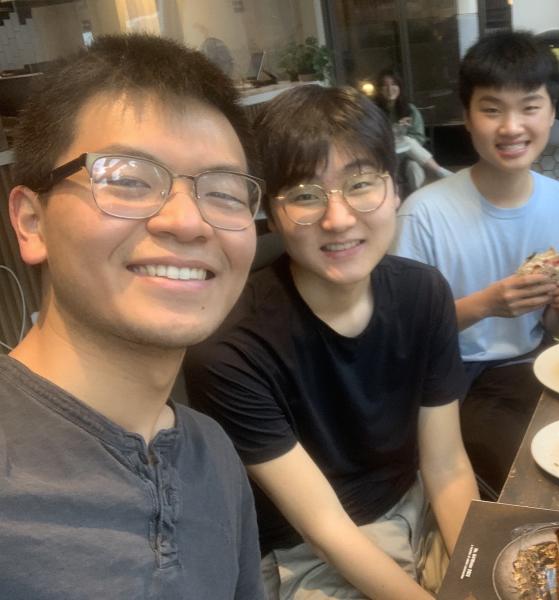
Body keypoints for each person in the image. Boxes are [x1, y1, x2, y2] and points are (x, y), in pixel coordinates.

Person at [183, 84, 478, 600]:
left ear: (395, 189)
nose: (338, 219)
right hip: (310, 554)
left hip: (420, 509)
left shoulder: (423, 293)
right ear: (272, 214)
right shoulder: (230, 347)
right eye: (304, 195)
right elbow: (325, 526)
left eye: (361, 184)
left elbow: (447, 466)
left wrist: (478, 571)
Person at [1, 34, 264, 599]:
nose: (189, 223)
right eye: (126, 179)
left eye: (223, 193)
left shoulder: (213, 452)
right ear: (30, 221)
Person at [392, 30, 559, 498]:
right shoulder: (423, 213)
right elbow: (399, 336)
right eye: (491, 109)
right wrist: (484, 305)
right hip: (448, 379)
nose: (511, 127)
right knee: (530, 481)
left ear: (551, 113)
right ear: (466, 117)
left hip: (530, 365)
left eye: (529, 106)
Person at [374, 69, 451, 190]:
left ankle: (417, 198)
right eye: (385, 85)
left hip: (408, 156)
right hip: (386, 157)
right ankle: (438, 170)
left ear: (399, 87)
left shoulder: (409, 110)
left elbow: (419, 137)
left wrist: (403, 132)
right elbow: (372, 137)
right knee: (405, 140)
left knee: (414, 166)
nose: (389, 89)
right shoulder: (374, 112)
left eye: (394, 84)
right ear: (379, 89)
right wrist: (395, 130)